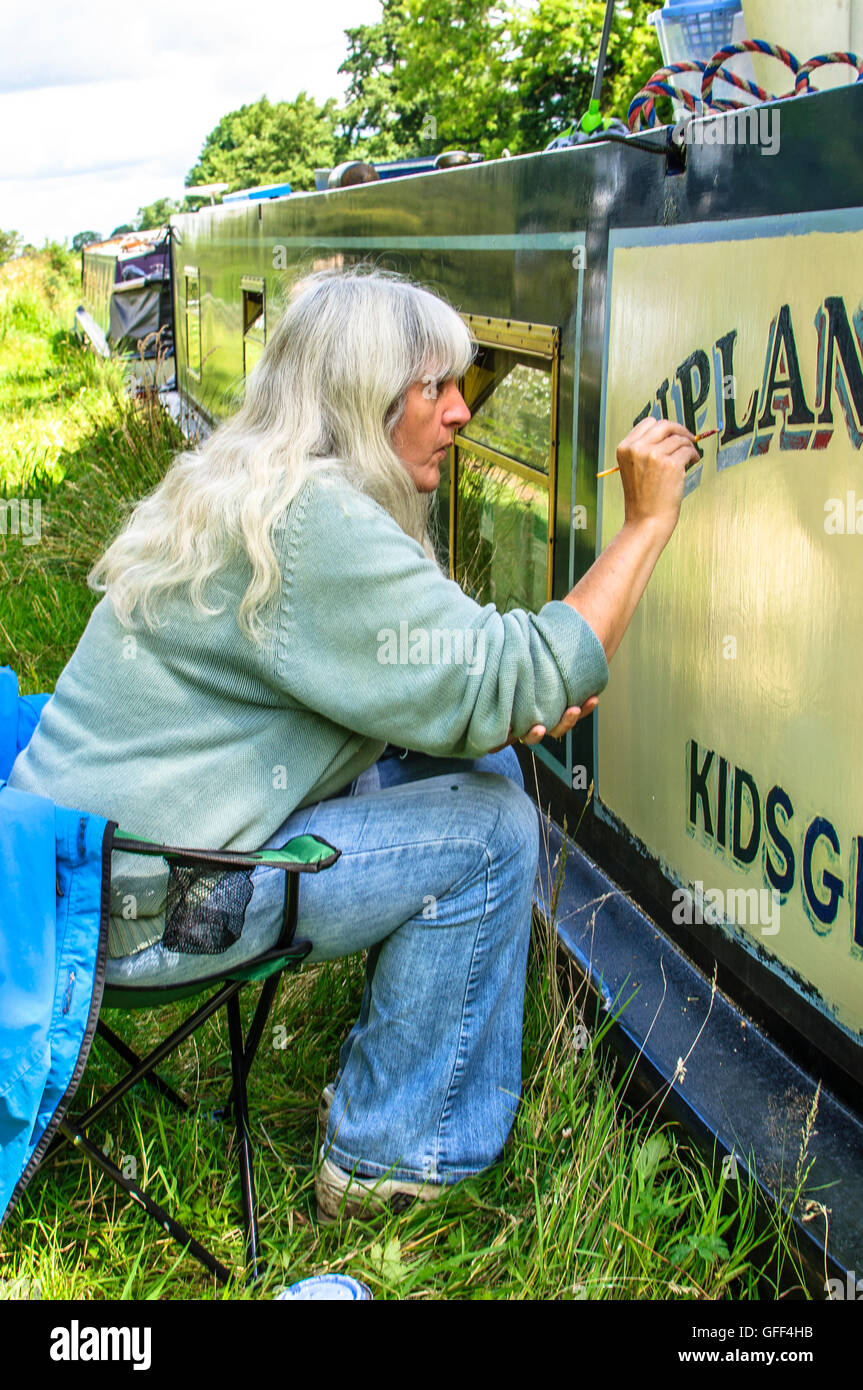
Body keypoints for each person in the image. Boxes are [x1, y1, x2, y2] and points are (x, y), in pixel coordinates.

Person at [8, 265, 698, 1222]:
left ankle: (410, 1099)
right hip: (148, 912)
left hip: (77, 878)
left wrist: (494, 700)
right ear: (361, 400)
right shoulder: (312, 522)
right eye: (435, 388)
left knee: (475, 765)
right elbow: (517, 678)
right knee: (493, 831)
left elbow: (473, 687)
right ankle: (390, 1162)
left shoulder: (246, 482)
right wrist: (648, 522)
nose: (461, 412)